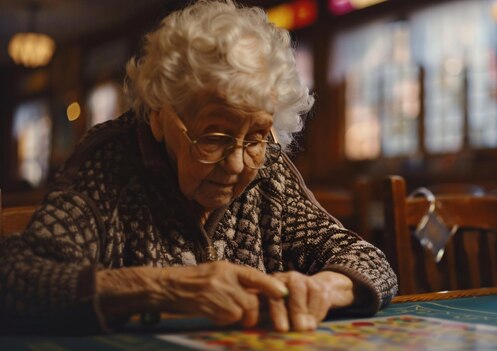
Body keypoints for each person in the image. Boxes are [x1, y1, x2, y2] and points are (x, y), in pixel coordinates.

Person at [0, 0, 397, 334]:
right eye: (213, 138)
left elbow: (369, 261)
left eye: (256, 137)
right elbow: (15, 278)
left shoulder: (267, 170)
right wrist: (163, 287)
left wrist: (326, 288)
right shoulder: (111, 160)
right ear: (159, 116)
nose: (238, 162)